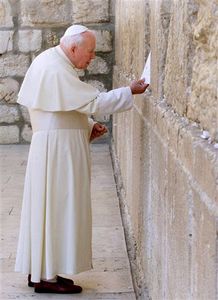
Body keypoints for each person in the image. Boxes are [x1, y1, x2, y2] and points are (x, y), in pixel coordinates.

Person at [15, 24, 149, 294]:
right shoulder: (54, 68)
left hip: (56, 149)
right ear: (74, 47)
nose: (91, 58)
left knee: (50, 209)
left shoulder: (55, 62)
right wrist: (129, 91)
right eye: (89, 52)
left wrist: (87, 127)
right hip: (57, 154)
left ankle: (44, 270)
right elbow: (94, 102)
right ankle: (45, 278)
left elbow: (60, 109)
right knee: (56, 209)